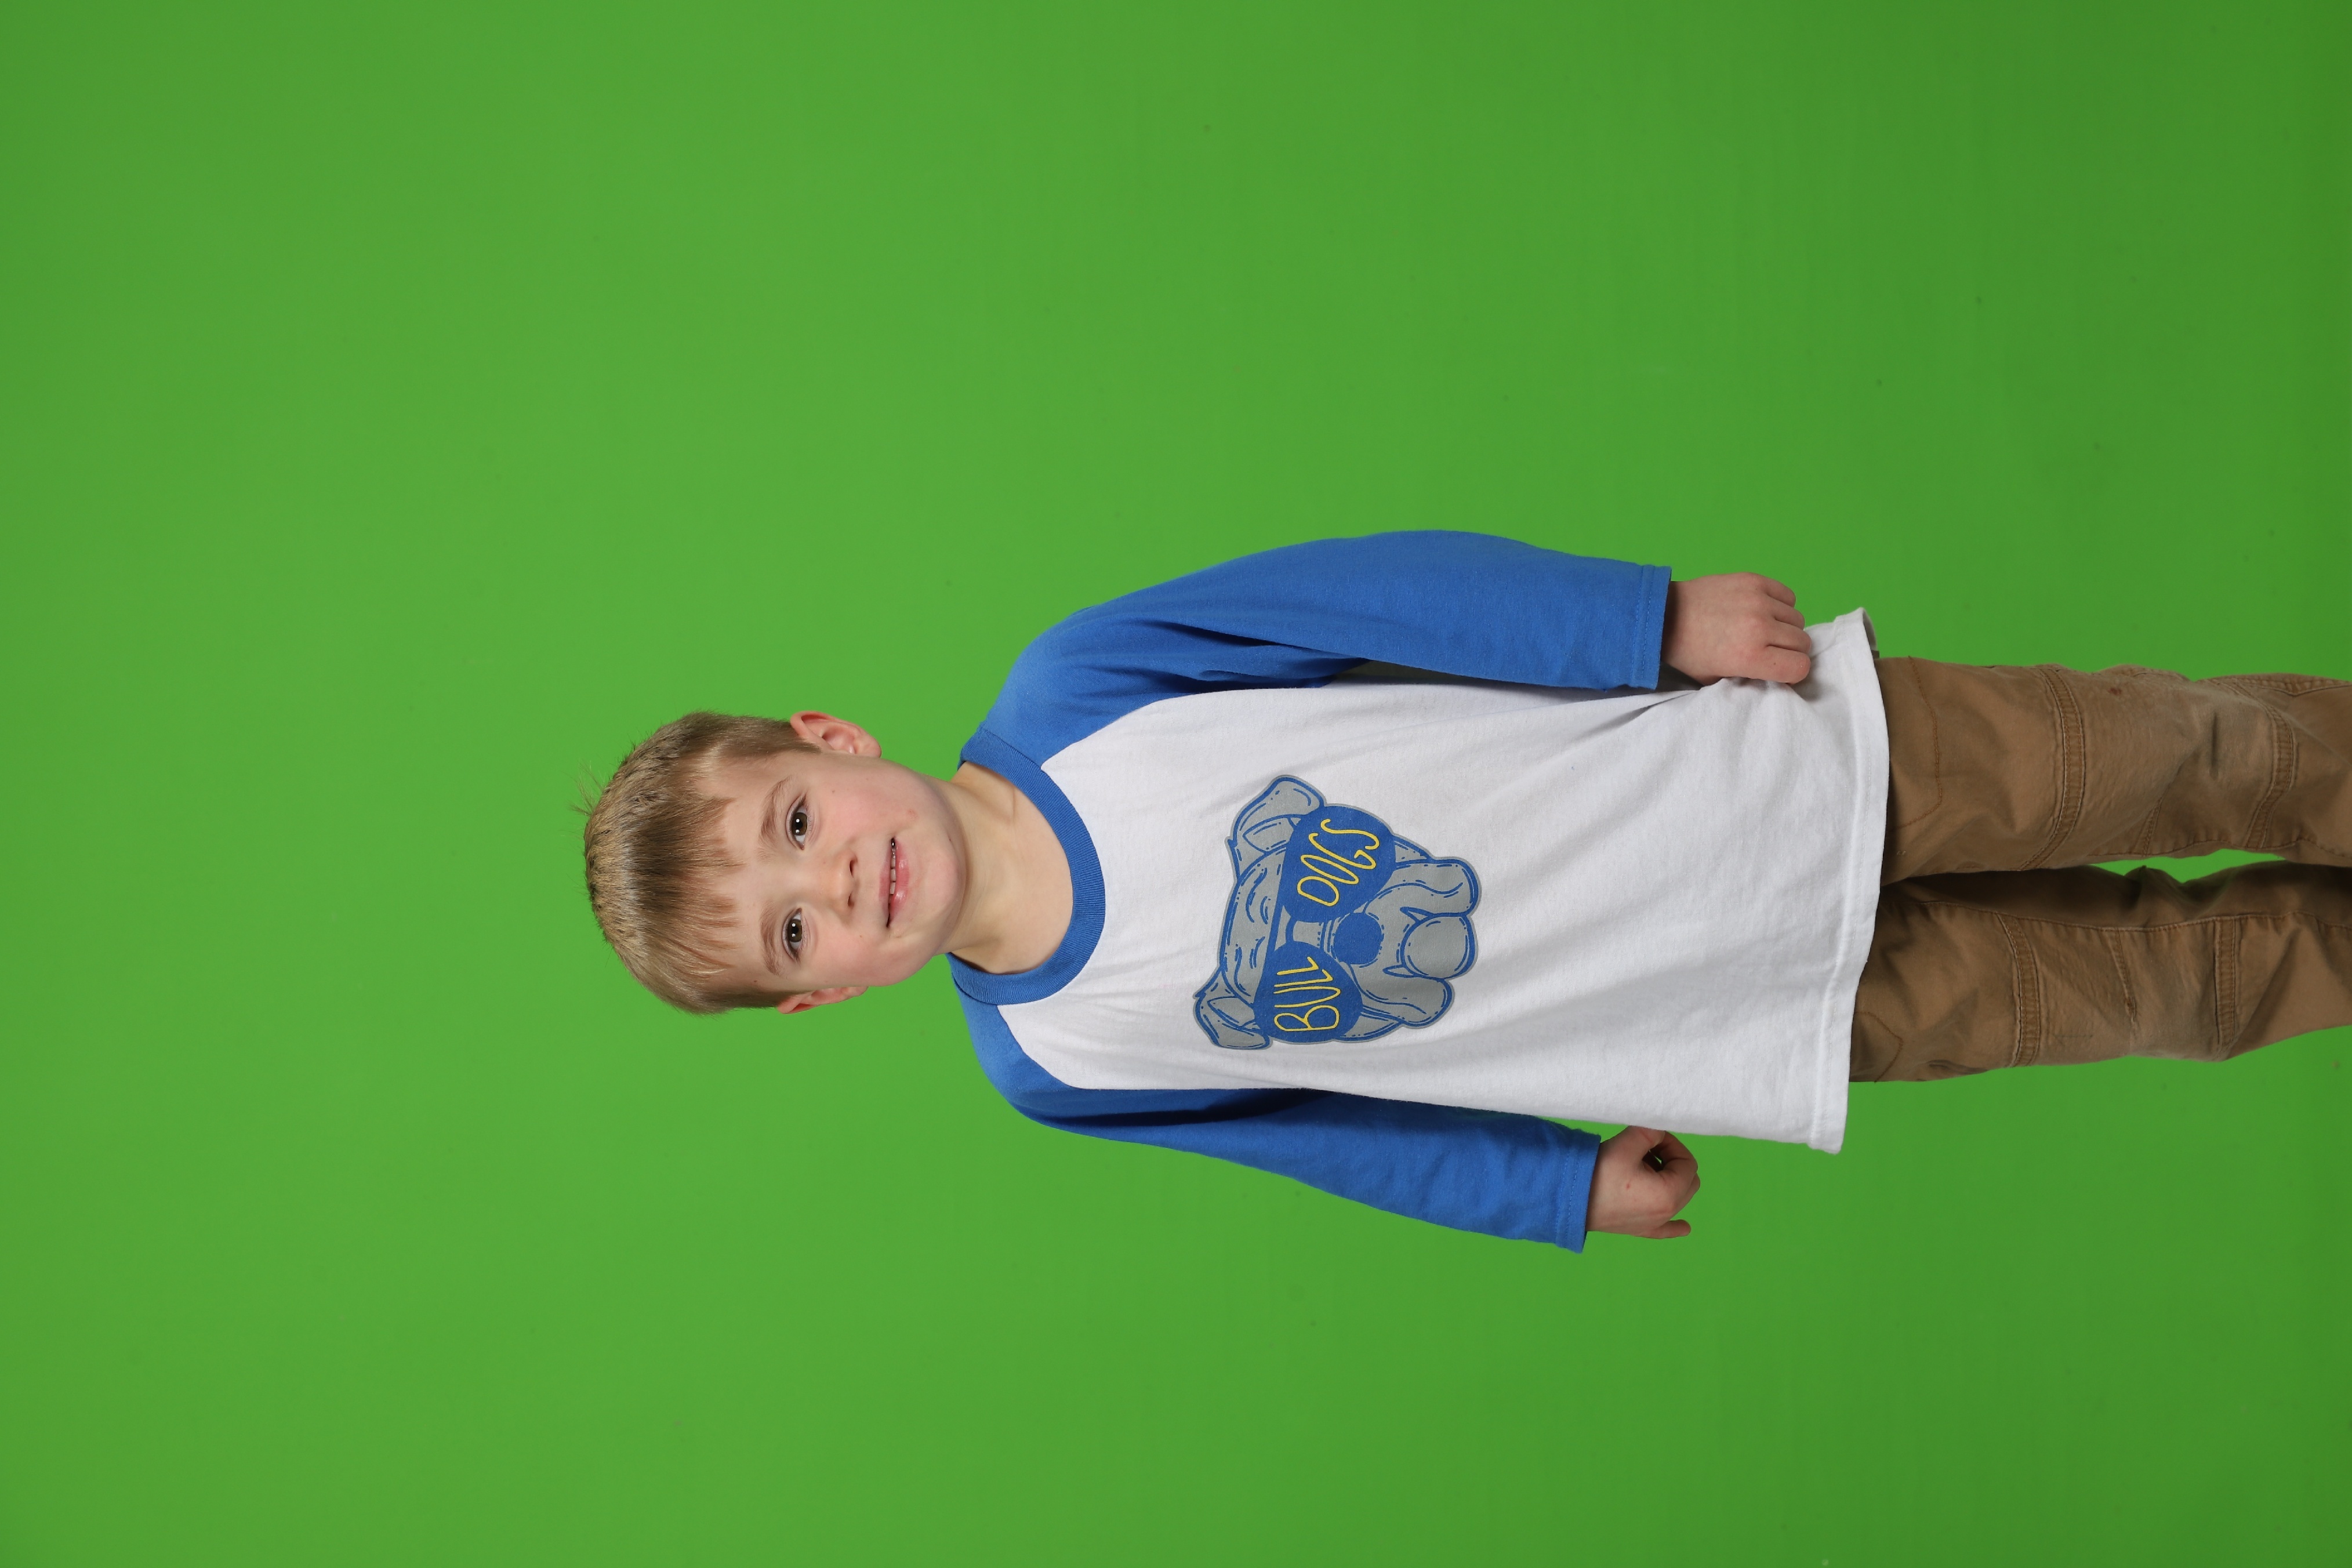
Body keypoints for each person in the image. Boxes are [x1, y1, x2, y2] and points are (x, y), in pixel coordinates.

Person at [581, 533, 2352, 1250]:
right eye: (795, 923)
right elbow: (1322, 1136)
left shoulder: (1083, 689)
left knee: (2194, 754)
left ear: (831, 738)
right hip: (1758, 1012)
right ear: (822, 994)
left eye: (795, 820)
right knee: (2178, 989)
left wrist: (1640, 621)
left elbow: (1377, 595)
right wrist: (1554, 1188)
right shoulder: (1053, 1061)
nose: (837, 876)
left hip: (1778, 764)